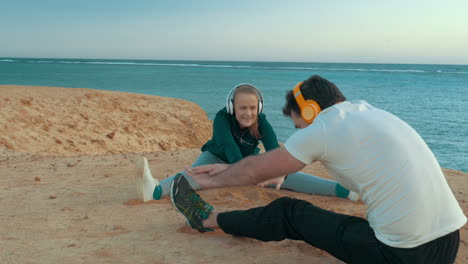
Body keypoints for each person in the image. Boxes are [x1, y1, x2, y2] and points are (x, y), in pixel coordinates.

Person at [171, 75, 466, 263]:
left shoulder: (325, 127)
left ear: (311, 110)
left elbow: (254, 169)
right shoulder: (369, 112)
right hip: (448, 242)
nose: (300, 133)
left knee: (287, 211)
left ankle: (208, 219)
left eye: (299, 125)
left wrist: (217, 178)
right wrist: (280, 169)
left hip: (402, 254)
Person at [136, 83, 357, 202]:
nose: (248, 112)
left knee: (286, 176)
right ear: (233, 108)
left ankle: (345, 191)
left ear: (258, 108)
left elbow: (274, 151)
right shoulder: (223, 118)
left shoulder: (262, 122)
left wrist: (278, 171)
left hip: (246, 162)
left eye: (252, 108)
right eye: (243, 108)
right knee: (196, 176)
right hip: (216, 157)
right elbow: (228, 147)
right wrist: (244, 172)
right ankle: (155, 191)